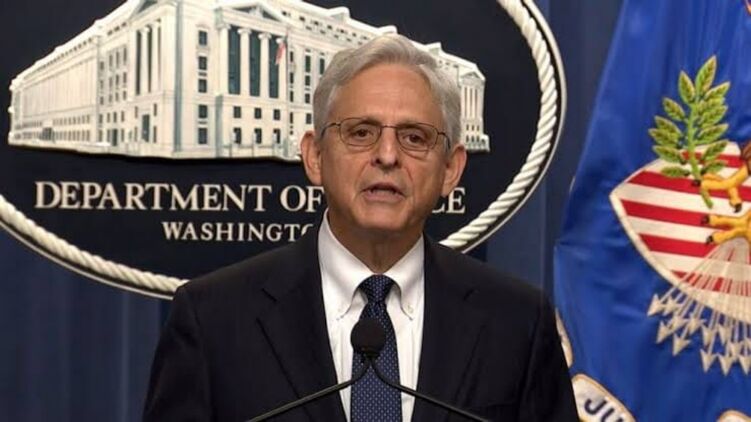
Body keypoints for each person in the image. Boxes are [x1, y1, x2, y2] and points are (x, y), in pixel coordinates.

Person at [143, 34, 577, 422]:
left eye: (414, 137)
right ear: (314, 156)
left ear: (450, 169)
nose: (387, 156)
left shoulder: (516, 322)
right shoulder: (213, 320)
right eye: (361, 133)